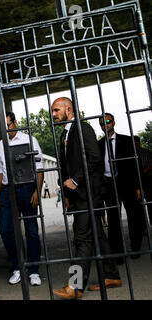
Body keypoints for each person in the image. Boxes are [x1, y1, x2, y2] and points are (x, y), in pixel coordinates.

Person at [51, 97, 120, 299]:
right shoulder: (66, 132)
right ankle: (111, 275)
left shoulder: (83, 128)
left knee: (81, 237)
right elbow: (66, 165)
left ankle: (76, 286)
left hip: (88, 192)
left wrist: (76, 180)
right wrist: (66, 193)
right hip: (78, 194)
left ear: (69, 109)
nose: (53, 114)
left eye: (56, 110)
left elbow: (95, 157)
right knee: (97, 234)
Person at [0, 111, 43, 287]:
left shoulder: (29, 139)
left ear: (15, 122)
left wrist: (37, 191)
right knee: (7, 230)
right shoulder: (0, 145)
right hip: (8, 191)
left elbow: (39, 166)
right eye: (3, 126)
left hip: (27, 188)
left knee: (31, 230)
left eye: (8, 125)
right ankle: (17, 267)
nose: (6, 129)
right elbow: (0, 171)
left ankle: (34, 271)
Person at [98, 113, 144, 262]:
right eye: (102, 123)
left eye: (108, 121)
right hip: (109, 185)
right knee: (113, 220)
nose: (105, 124)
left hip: (127, 183)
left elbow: (136, 165)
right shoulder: (99, 144)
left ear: (114, 122)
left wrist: (138, 186)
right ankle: (118, 254)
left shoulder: (127, 141)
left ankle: (135, 248)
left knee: (133, 217)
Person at [134, 135, 152, 227]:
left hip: (147, 179)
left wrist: (141, 173)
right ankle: (143, 226)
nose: (135, 145)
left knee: (150, 203)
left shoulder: (146, 152)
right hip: (137, 180)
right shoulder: (131, 154)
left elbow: (150, 165)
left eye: (136, 143)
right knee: (138, 205)